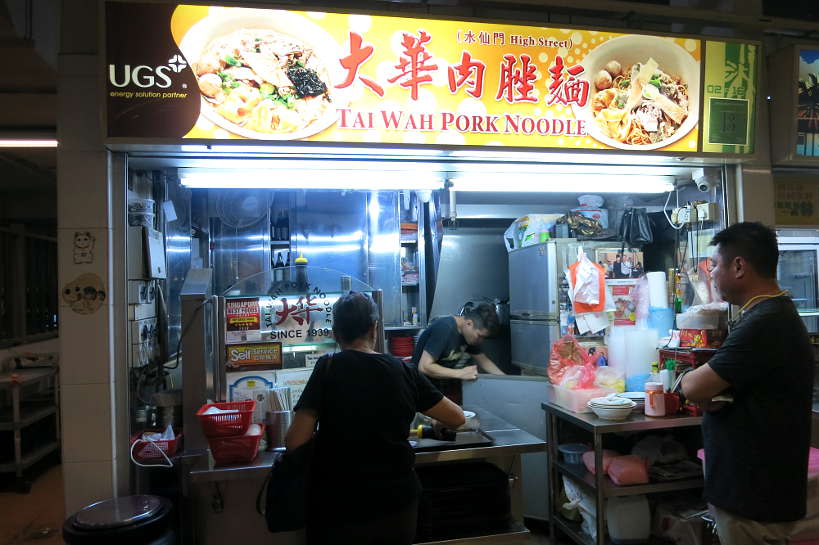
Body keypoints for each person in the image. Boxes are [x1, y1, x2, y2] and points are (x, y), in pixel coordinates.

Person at [285, 292, 464, 545]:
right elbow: (457, 418)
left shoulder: (327, 368)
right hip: (395, 505)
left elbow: (295, 441)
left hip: (337, 505)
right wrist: (432, 420)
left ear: (335, 333)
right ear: (375, 329)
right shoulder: (402, 370)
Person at [681, 222, 813, 545]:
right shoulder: (766, 315)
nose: (711, 274)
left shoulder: (766, 322)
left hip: (755, 501)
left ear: (739, 266)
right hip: (753, 493)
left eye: (715, 265)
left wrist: (691, 380)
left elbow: (693, 387)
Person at [413, 302, 504, 404]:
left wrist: (508, 382)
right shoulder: (445, 328)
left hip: (440, 391)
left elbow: (484, 361)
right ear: (469, 323)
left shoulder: (468, 335)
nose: (481, 341)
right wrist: (461, 373)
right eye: (480, 336)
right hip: (420, 391)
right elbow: (424, 366)